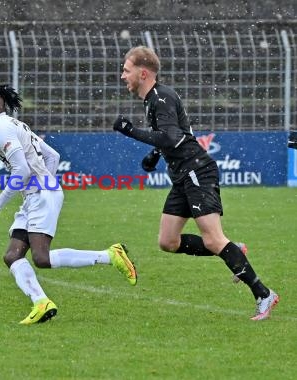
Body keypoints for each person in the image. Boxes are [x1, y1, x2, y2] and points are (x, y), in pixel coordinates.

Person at [113, 46, 279, 320]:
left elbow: (170, 137)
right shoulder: (155, 98)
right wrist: (153, 155)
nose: (123, 76)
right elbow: (176, 134)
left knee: (214, 239)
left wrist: (131, 131)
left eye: (126, 70)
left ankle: (263, 294)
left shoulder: (161, 97)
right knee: (168, 241)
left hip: (196, 172)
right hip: (182, 175)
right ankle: (232, 249)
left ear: (143, 73)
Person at [0, 84, 137, 325]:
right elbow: (53, 157)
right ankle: (41, 302)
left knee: (42, 258)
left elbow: (21, 169)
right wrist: (45, 183)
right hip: (38, 194)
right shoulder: (15, 125)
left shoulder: (3, 129)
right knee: (12, 255)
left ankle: (110, 255)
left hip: (41, 194)